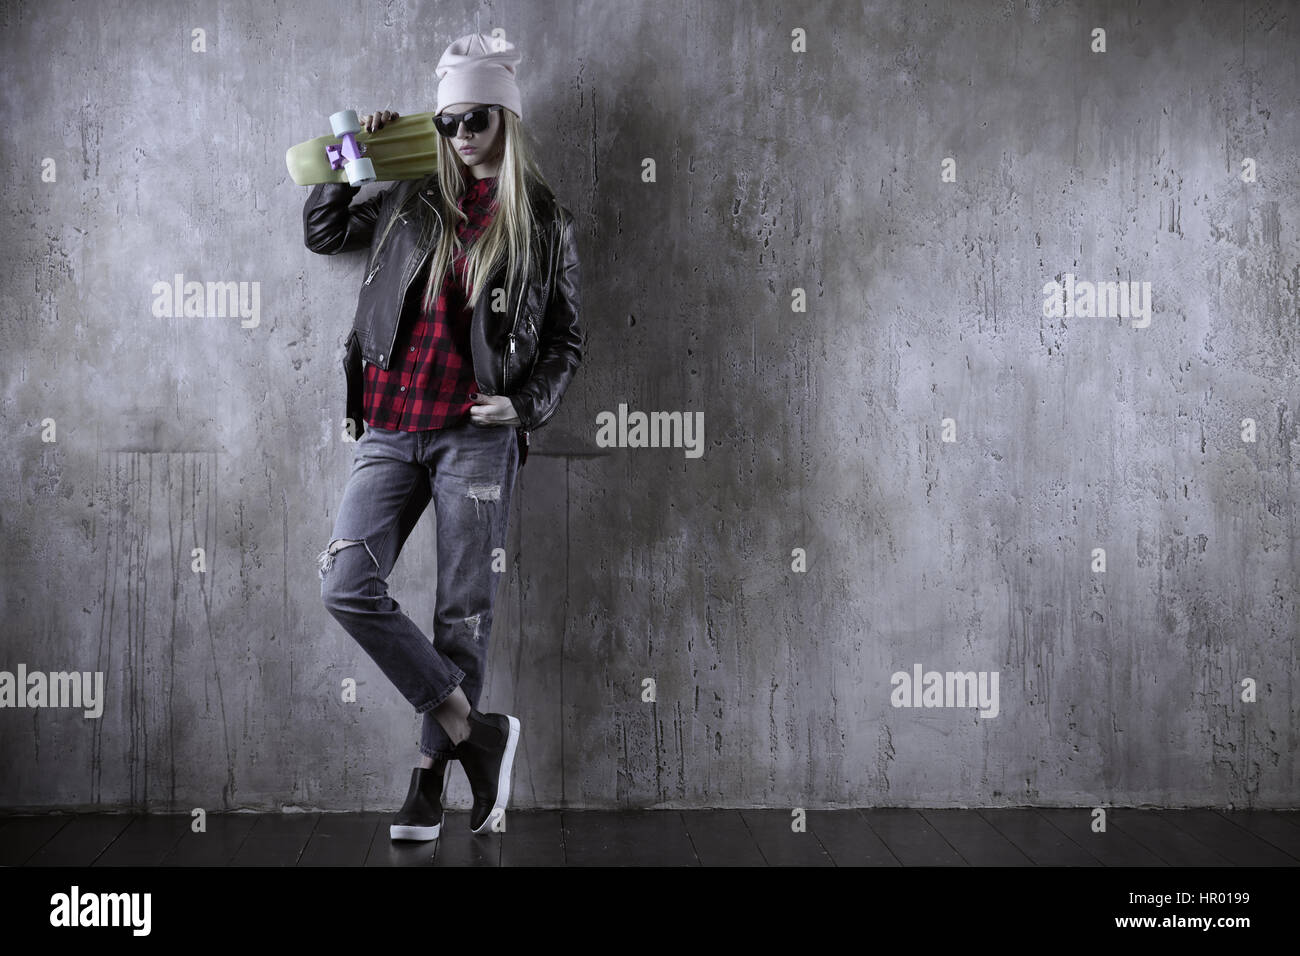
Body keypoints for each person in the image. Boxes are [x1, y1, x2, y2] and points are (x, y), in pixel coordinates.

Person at [303, 32, 583, 840]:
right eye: (449, 121)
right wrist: (356, 149)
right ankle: (475, 731)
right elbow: (325, 232)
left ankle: (427, 780)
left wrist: (524, 406)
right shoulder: (413, 192)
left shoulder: (544, 219)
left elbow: (567, 339)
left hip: (475, 436)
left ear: (507, 120)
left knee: (463, 614)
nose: (460, 136)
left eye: (476, 121)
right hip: (389, 427)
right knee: (346, 586)